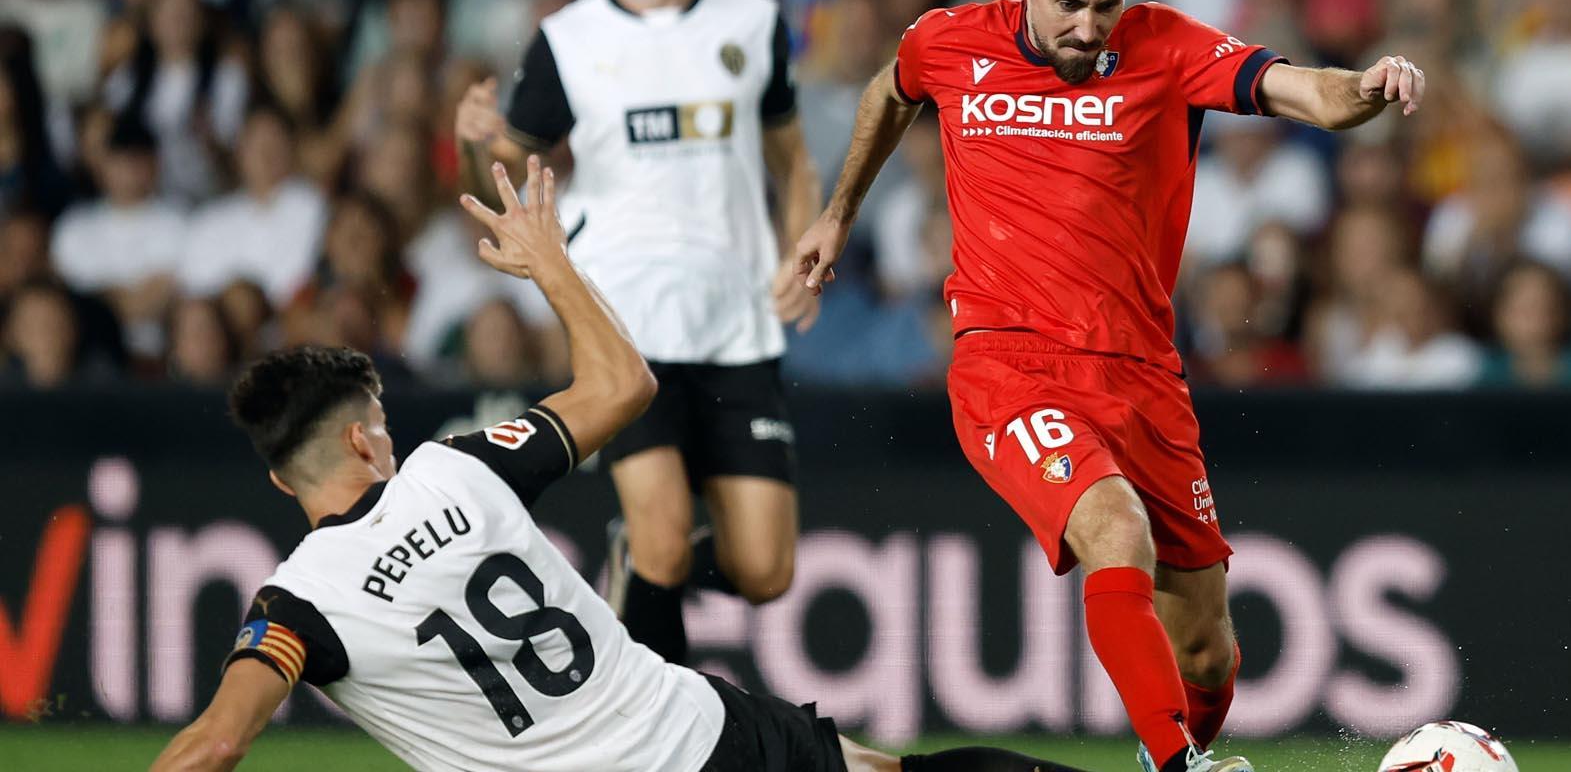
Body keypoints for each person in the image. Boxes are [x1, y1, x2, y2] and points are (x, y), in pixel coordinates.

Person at [149, 155, 1089, 772]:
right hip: (703, 733)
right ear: (365, 438)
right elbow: (624, 384)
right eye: (381, 423)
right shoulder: (456, 469)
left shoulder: (296, 606)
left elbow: (216, 745)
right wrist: (551, 265)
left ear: (281, 478)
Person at [793, 0, 1426, 772]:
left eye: (1106, 5)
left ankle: (1173, 745)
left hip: (1141, 376)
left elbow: (1307, 95)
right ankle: (1180, 766)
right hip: (1008, 367)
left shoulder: (1166, 46)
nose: (1090, 28)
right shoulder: (949, 41)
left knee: (1205, 651)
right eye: (1068, 4)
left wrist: (1363, 86)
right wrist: (839, 213)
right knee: (1113, 528)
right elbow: (890, 93)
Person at [453, 0, 820, 667]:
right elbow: (502, 180)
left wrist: (800, 252)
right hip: (624, 321)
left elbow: (792, 157)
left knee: (765, 571)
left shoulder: (752, 22)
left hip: (736, 320)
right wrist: (473, 145)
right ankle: (669, 725)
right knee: (661, 541)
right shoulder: (568, 39)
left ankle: (637, 567)